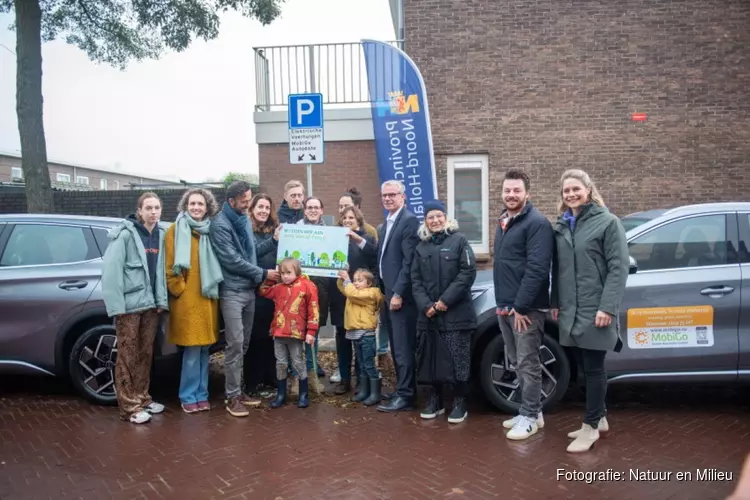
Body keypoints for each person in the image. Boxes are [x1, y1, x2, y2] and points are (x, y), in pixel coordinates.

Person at [551, 169, 628, 453]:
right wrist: (556, 302)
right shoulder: (562, 225)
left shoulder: (608, 222)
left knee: (594, 369)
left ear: (588, 189)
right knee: (583, 367)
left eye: (575, 189)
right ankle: (601, 418)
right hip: (571, 310)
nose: (571, 194)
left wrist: (607, 307)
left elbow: (618, 269)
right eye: (566, 191)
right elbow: (558, 269)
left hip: (596, 308)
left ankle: (591, 426)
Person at [493, 168, 554, 441]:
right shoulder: (504, 221)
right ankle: (532, 411)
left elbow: (538, 269)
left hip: (525, 309)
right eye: (507, 190)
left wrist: (521, 306)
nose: (511, 194)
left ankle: (529, 417)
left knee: (528, 363)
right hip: (505, 306)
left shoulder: (537, 223)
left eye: (516, 190)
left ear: (527, 193)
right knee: (517, 361)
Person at [209, 181, 280, 418]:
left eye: (249, 199)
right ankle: (231, 397)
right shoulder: (220, 224)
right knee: (235, 344)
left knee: (244, 344)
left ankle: (238, 391)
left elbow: (251, 253)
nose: (248, 204)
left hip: (249, 291)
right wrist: (262, 274)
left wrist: (274, 241)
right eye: (245, 201)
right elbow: (231, 260)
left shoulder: (243, 220)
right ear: (232, 201)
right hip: (232, 292)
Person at [101, 192, 169, 424]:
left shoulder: (161, 235)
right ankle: (128, 407)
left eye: (156, 208)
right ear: (139, 211)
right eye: (148, 208)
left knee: (145, 353)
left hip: (150, 306)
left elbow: (160, 273)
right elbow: (112, 272)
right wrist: (117, 307)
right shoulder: (125, 235)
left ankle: (143, 398)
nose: (153, 212)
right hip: (129, 307)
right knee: (127, 355)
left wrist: (161, 301)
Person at [411, 200, 477, 424]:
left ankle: (460, 402)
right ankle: (435, 400)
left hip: (456, 315)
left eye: (439, 216)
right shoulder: (421, 247)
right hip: (429, 316)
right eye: (431, 217)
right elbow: (415, 280)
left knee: (458, 360)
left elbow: (467, 273)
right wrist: (426, 306)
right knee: (430, 360)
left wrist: (444, 301)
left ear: (446, 218)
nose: (435, 220)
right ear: (426, 221)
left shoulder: (459, 241)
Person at [164, 188, 223, 413]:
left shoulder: (208, 231)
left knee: (204, 350)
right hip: (188, 302)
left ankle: (202, 393)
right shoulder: (175, 230)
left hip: (207, 299)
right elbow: (170, 266)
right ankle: (188, 395)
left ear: (207, 207)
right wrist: (180, 289)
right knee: (190, 351)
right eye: (192, 204)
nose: (196, 207)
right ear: (185, 206)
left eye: (200, 204)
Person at [375, 180, 420, 413]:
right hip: (389, 293)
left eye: (393, 194)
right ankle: (402, 388)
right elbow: (383, 256)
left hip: (400, 297)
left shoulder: (409, 221)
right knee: (395, 346)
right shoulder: (388, 222)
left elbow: (409, 262)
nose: (388, 198)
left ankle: (406, 396)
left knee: (403, 348)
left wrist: (399, 292)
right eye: (385, 195)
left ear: (403, 197)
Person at [329, 206, 378, 395]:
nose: (348, 220)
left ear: (358, 220)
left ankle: (361, 380)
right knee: (342, 339)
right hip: (340, 296)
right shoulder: (335, 239)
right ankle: (344, 379)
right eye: (345, 217)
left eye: (352, 217)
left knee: (360, 340)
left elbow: (374, 257)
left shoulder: (367, 239)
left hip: (360, 298)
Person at [258, 257, 319, 409]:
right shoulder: (278, 288)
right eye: (282, 273)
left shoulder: (308, 286)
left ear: (297, 271)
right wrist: (273, 279)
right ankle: (281, 393)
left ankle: (303, 394)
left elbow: (314, 310)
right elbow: (263, 291)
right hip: (279, 333)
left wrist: (311, 331)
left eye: (288, 273)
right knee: (281, 363)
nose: (285, 276)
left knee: (298, 362)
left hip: (295, 333)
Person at [245, 194, 282, 398]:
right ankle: (252, 381)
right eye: (260, 206)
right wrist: (274, 241)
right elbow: (251, 254)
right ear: (252, 208)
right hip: (254, 291)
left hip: (273, 293)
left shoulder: (274, 230)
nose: (264, 211)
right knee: (254, 338)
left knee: (271, 336)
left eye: (267, 207)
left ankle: (271, 377)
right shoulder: (247, 231)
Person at [294, 196, 329, 389]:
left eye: (316, 207)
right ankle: (298, 370)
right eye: (310, 207)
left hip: (321, 288)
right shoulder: (297, 230)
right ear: (304, 210)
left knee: (313, 329)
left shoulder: (330, 233)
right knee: (297, 328)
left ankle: (311, 367)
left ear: (322, 210)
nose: (313, 210)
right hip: (300, 288)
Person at [336, 268, 384, 406]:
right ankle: (364, 390)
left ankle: (375, 394)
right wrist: (341, 278)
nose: (356, 283)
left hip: (366, 335)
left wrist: (347, 279)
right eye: (355, 280)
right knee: (362, 365)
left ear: (369, 283)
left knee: (369, 365)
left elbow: (351, 291)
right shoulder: (354, 292)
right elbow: (345, 289)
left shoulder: (370, 294)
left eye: (360, 280)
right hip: (356, 335)